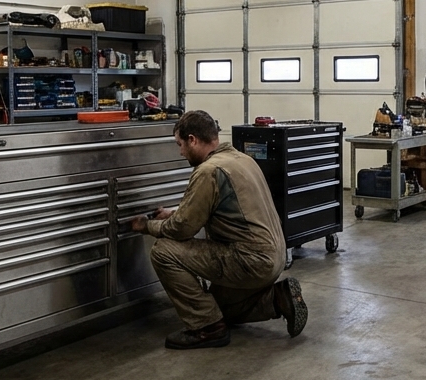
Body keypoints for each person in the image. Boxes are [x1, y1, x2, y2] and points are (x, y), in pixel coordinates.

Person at [131, 110, 307, 349]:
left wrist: (147, 226)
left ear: (193, 139)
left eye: (180, 144)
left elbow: (182, 229)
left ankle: (206, 329)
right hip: (273, 257)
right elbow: (216, 210)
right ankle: (278, 299)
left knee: (163, 251)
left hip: (249, 260)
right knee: (218, 308)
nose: (181, 152)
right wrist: (172, 214)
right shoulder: (241, 159)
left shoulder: (208, 171)